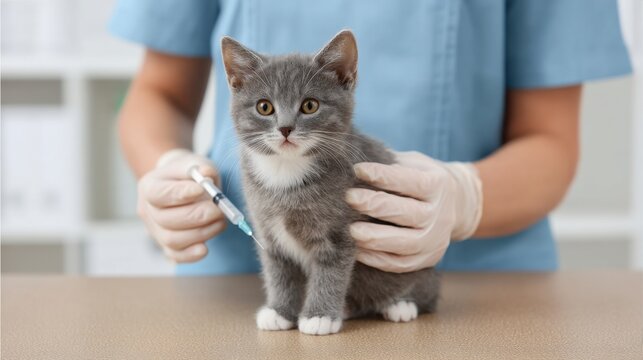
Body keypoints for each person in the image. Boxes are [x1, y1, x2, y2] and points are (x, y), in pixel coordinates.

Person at [110, 0, 631, 275]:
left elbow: (550, 140)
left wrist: (465, 197)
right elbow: (159, 96)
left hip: (468, 286)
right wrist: (166, 166)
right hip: (244, 276)